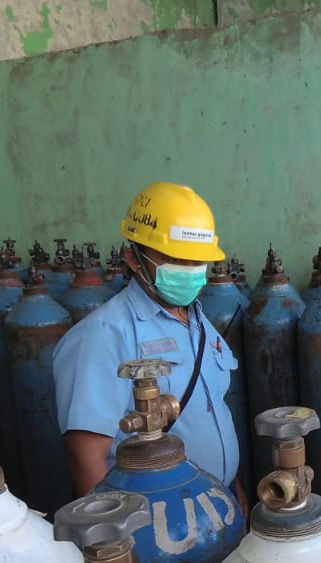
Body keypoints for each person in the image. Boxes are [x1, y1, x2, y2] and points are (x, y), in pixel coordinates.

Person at [53, 182, 242, 499]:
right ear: (133, 257)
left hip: (218, 502)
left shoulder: (197, 320)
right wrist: (120, 538)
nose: (189, 270)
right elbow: (84, 456)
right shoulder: (105, 333)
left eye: (197, 260)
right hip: (156, 517)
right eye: (175, 259)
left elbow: (212, 413)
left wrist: (234, 488)